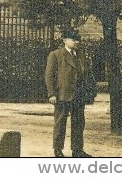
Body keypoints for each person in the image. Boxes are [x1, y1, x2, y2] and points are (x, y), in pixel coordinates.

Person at [45, 30, 95, 158]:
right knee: (60, 123)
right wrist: (52, 94)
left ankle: (77, 150)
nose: (76, 42)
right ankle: (57, 150)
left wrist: (89, 92)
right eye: (73, 39)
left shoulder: (81, 55)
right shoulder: (56, 55)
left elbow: (87, 75)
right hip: (62, 95)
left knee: (78, 123)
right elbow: (49, 76)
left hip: (79, 95)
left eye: (78, 39)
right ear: (65, 40)